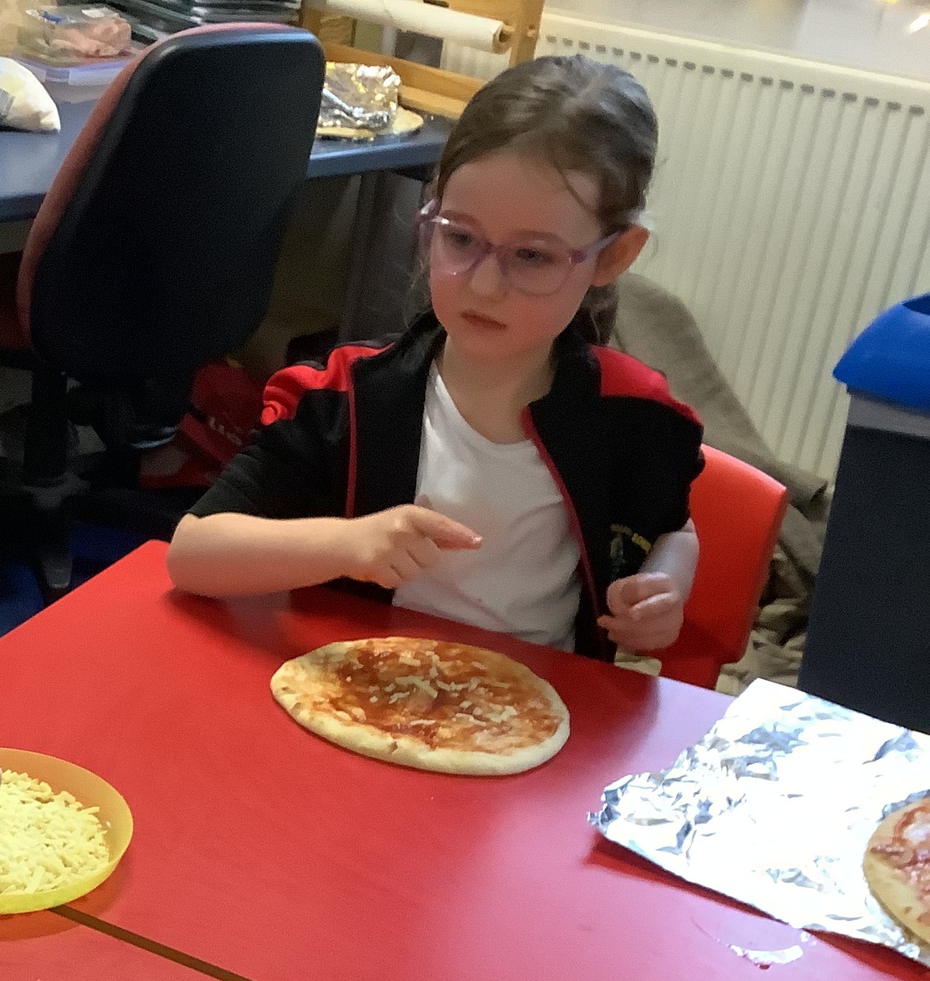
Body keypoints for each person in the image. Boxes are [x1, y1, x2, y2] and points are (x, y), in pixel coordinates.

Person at [167, 55, 702, 661]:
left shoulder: (633, 415)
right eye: (461, 238)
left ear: (613, 256)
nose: (483, 286)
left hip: (539, 698)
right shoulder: (342, 397)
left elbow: (674, 528)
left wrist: (667, 583)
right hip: (366, 691)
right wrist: (346, 544)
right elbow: (193, 554)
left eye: (532, 256)